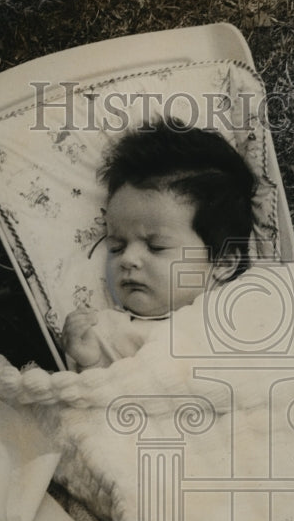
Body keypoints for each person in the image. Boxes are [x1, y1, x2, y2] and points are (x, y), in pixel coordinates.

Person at [61, 117, 257, 370]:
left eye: (156, 247)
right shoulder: (110, 333)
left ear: (223, 262)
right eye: (117, 247)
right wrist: (91, 360)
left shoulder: (251, 306)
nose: (128, 260)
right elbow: (105, 396)